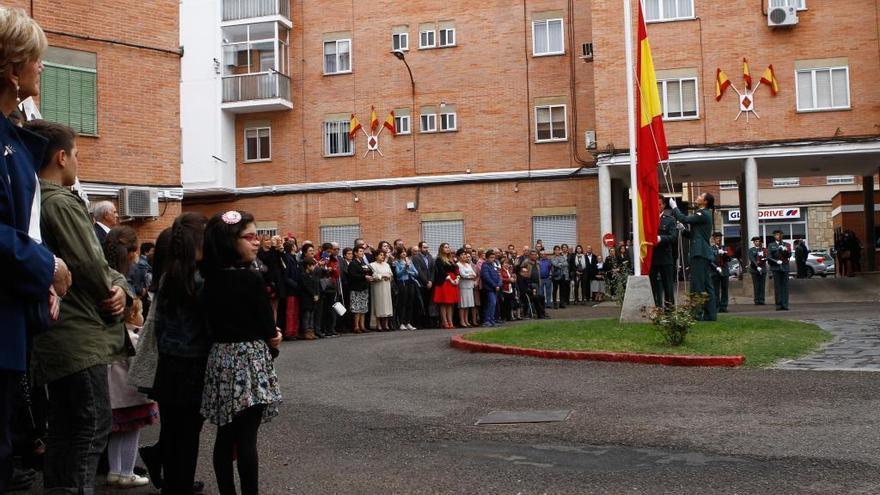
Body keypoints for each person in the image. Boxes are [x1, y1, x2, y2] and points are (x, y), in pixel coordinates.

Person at [28, 119, 130, 493]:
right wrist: (120, 290)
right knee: (89, 427)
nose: (77, 161)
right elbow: (90, 264)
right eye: (75, 154)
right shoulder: (60, 202)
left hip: (58, 335)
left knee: (65, 430)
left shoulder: (32, 199)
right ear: (60, 157)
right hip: (78, 337)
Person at [0, 10, 73, 492]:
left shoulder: (11, 137)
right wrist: (49, 265)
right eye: (38, 60)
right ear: (12, 68)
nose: (42, 69)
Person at [201, 211, 282, 495]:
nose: (257, 242)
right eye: (250, 237)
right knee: (247, 439)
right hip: (249, 361)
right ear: (229, 241)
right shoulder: (250, 279)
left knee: (224, 435)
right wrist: (274, 340)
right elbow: (267, 325)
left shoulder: (208, 278)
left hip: (220, 359)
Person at [149, 212, 210, 494]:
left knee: (172, 432)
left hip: (168, 366)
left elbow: (159, 325)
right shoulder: (202, 280)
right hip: (193, 367)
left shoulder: (168, 275)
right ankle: (181, 485)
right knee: (188, 437)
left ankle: (172, 485)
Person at [669, 194, 716, 321]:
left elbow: (683, 218)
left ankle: (697, 314)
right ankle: (710, 314)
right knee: (706, 284)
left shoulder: (703, 213)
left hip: (700, 253)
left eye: (701, 196)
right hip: (702, 252)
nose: (698, 196)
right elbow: (695, 235)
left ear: (705, 202)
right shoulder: (703, 214)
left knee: (698, 285)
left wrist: (674, 207)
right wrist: (683, 230)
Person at [651, 197, 677, 308]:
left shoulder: (669, 220)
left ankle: (669, 310)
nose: (657, 207)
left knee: (668, 286)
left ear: (663, 206)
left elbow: (673, 237)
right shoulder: (649, 220)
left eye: (659, 204)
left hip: (665, 257)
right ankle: (655, 307)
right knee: (653, 285)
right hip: (652, 258)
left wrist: (660, 238)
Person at [433, 243, 460, 329]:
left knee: (450, 303)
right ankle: (445, 322)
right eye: (445, 247)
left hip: (452, 281)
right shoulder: (439, 260)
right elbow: (441, 271)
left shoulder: (451, 260)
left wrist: (457, 278)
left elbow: (456, 270)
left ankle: (450, 321)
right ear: (441, 249)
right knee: (444, 303)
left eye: (448, 247)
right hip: (444, 282)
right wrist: (450, 279)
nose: (447, 249)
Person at [392, 247, 419, 330]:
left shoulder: (409, 261)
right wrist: (405, 268)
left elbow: (416, 273)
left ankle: (408, 322)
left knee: (410, 303)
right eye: (402, 252)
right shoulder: (397, 262)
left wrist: (409, 270)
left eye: (404, 252)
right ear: (399, 254)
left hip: (410, 282)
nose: (404, 253)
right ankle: (401, 323)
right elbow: (398, 274)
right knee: (403, 303)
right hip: (402, 283)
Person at [368, 249, 394, 331]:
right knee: (378, 305)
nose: (382, 256)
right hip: (377, 287)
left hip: (386, 286)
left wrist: (388, 276)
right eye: (381, 255)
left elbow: (391, 274)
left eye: (383, 255)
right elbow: (374, 275)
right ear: (376, 256)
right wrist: (382, 276)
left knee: (387, 305)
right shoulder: (372, 265)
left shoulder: (386, 264)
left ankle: (385, 324)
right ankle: (378, 325)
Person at [129, 241, 155, 318]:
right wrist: (142, 290)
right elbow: (141, 280)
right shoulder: (142, 265)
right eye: (152, 251)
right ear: (146, 252)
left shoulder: (142, 263)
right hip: (141, 296)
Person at [413, 241, 435, 328]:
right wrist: (426, 282)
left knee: (427, 303)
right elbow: (419, 271)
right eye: (424, 247)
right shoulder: (416, 258)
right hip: (421, 284)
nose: (426, 249)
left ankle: (427, 322)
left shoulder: (430, 257)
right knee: (420, 304)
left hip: (430, 284)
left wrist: (431, 281)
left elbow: (433, 270)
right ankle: (420, 322)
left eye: (427, 247)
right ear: (420, 248)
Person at [768, 229, 791, 311]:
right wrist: (776, 261)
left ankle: (785, 304)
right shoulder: (771, 245)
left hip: (785, 267)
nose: (778, 236)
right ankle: (778, 304)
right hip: (776, 268)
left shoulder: (787, 244)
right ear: (774, 236)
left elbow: (789, 255)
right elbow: (769, 256)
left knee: (785, 286)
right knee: (777, 286)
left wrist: (785, 250)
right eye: (777, 235)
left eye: (780, 235)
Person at [299, 259, 321, 340]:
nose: (314, 267)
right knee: (306, 316)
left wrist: (317, 294)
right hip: (306, 298)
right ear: (308, 266)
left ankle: (312, 331)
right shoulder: (303, 275)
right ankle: (306, 332)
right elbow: (306, 287)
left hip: (313, 298)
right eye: (312, 265)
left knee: (312, 316)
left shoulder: (314, 275)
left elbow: (317, 285)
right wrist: (313, 294)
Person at [456, 249, 478, 327]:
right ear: (458, 256)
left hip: (470, 286)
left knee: (468, 305)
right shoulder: (458, 264)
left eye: (464, 254)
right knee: (462, 305)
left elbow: (474, 274)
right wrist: (469, 275)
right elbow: (463, 275)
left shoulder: (468, 264)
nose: (464, 256)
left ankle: (466, 320)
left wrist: (469, 275)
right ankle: (462, 321)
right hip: (463, 286)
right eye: (462, 254)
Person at [710, 232, 730, 313]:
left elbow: (729, 259)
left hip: (724, 270)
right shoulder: (711, 248)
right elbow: (710, 260)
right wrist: (716, 267)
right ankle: (717, 306)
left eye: (720, 238)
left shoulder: (725, 248)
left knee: (725, 289)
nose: (719, 240)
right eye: (717, 238)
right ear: (714, 239)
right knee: (716, 289)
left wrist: (725, 254)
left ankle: (724, 306)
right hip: (715, 271)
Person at [480, 250, 502, 327]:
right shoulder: (485, 265)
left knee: (493, 304)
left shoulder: (494, 265)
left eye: (494, 257)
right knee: (491, 304)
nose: (493, 259)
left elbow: (499, 276)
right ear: (487, 258)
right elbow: (486, 277)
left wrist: (499, 284)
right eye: (491, 257)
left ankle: (492, 320)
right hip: (489, 289)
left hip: (496, 288)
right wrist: (495, 285)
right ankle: (487, 320)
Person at [747, 236, 767, 305]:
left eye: (758, 241)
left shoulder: (763, 249)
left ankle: (762, 300)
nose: (757, 243)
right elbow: (752, 258)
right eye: (755, 241)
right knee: (756, 285)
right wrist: (757, 266)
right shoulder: (751, 250)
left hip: (763, 269)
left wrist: (764, 258)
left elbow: (766, 257)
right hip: (754, 270)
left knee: (762, 285)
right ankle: (756, 300)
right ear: (753, 242)